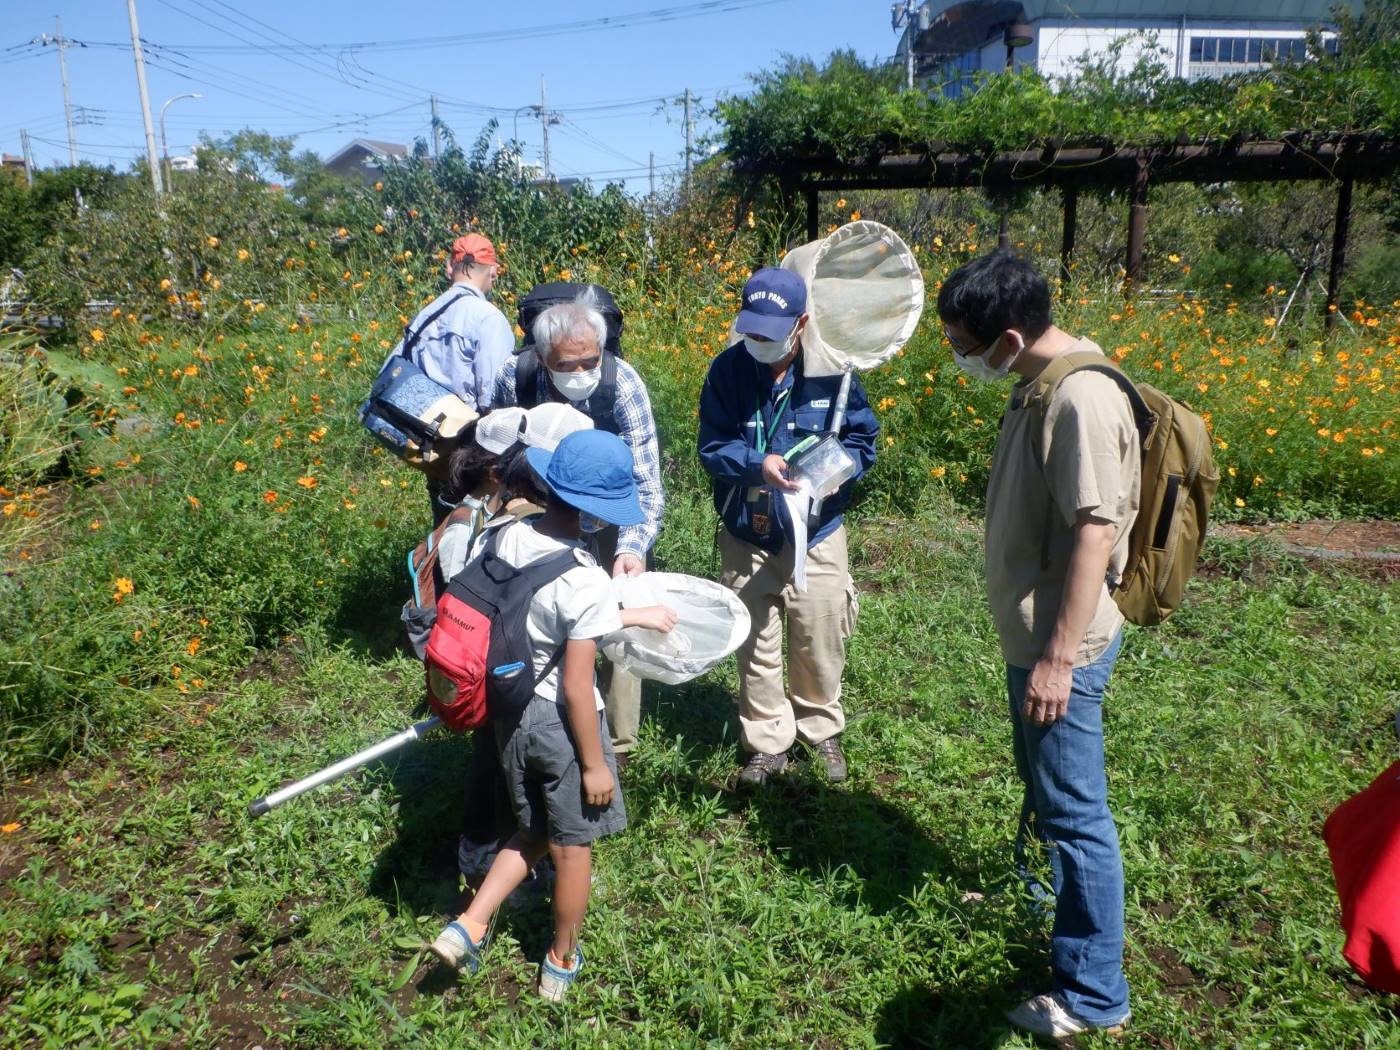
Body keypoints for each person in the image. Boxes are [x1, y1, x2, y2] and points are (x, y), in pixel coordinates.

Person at [937, 250, 1140, 1041]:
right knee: (1047, 788)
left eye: (964, 346)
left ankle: (1093, 994)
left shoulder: (1080, 398)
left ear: (1011, 339)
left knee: (1076, 813)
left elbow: (1095, 531)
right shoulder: (1039, 380)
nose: (959, 358)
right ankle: (1043, 899)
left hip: (1063, 649)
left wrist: (1057, 660)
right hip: (1036, 639)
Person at [429, 430, 677, 1001]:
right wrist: (594, 765)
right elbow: (575, 684)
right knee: (572, 849)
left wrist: (633, 614)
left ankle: (469, 924)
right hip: (562, 728)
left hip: (509, 711)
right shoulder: (586, 577)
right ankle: (561, 959)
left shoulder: (507, 534)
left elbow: (545, 609)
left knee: (535, 830)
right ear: (598, 512)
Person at [697, 267, 878, 786]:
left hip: (816, 532)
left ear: (801, 323)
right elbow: (713, 446)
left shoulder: (835, 373)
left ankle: (819, 729)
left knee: (820, 632)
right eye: (752, 330)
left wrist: (834, 473)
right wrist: (759, 465)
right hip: (747, 534)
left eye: (771, 333)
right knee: (756, 642)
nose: (759, 341)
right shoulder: (727, 371)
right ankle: (766, 741)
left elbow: (862, 442)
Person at [493, 292, 664, 765]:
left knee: (623, 611)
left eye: (590, 361)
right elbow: (501, 450)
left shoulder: (622, 383)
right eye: (566, 365)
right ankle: (532, 707)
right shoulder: (515, 376)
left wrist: (631, 549)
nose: (581, 372)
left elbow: (647, 484)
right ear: (541, 356)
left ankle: (618, 741)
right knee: (535, 610)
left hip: (609, 511)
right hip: (542, 505)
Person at [404, 232, 515, 524]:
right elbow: (494, 395)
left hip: (430, 440)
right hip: (472, 444)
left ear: (449, 268)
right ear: (493, 270)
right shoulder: (488, 318)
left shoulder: (425, 315)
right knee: (479, 523)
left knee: (444, 519)